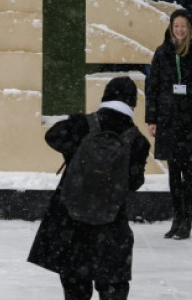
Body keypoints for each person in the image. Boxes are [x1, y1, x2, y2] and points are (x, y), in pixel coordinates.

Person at [28, 76, 151, 300]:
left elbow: (52, 136)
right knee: (112, 286)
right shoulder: (138, 141)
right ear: (133, 103)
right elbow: (134, 182)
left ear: (105, 97)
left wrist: (77, 154)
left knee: (76, 287)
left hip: (72, 222)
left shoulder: (82, 125)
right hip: (111, 224)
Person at [145, 8, 192, 240]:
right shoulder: (162, 53)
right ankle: (176, 219)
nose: (180, 30)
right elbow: (152, 87)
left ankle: (187, 221)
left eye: (184, 26)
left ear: (190, 29)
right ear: (170, 28)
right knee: (173, 173)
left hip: (191, 121)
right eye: (176, 26)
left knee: (189, 172)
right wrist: (151, 119)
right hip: (168, 120)